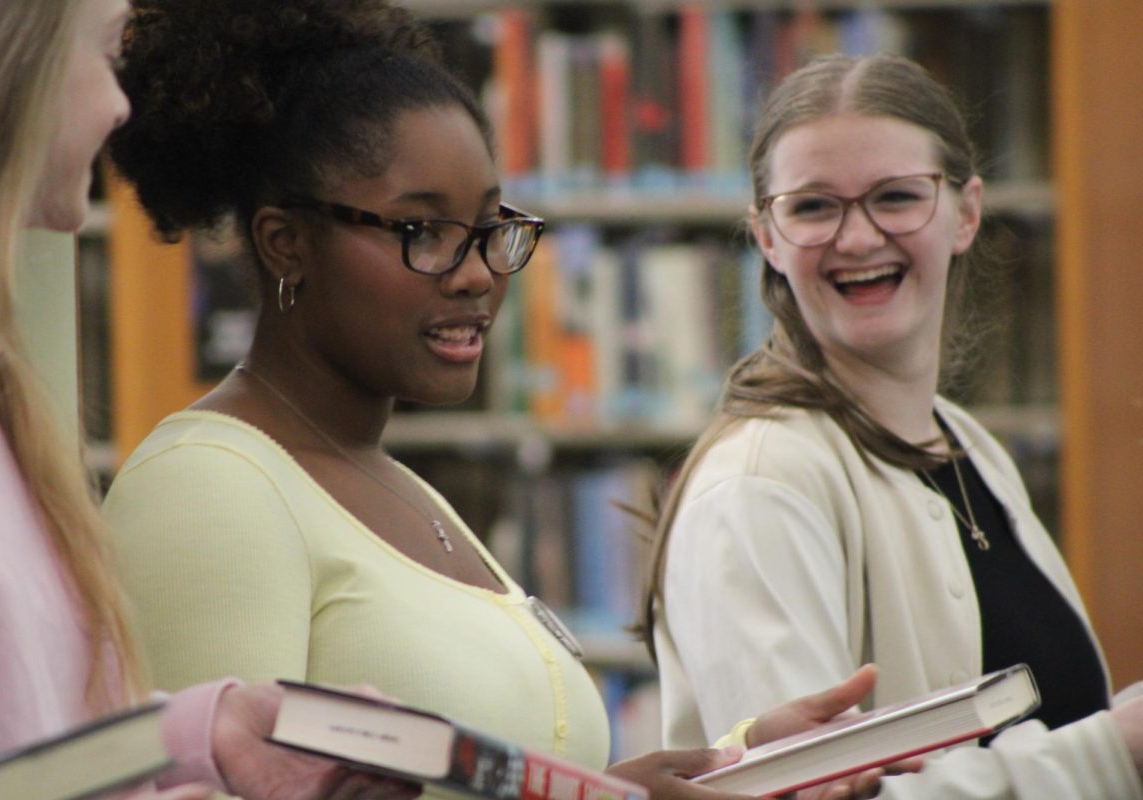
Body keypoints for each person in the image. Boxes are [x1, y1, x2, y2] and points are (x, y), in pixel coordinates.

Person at [100, 3, 900, 799]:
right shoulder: (205, 491)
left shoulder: (391, 482)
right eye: (423, 229)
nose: (479, 272)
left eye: (489, 227)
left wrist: (741, 762)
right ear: (287, 243)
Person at [0, 1, 426, 798]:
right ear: (9, 63)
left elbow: (32, 742)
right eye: (105, 54)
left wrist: (207, 734)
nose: (119, 104)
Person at [641, 53, 1143, 798]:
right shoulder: (759, 488)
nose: (856, 238)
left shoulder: (966, 445)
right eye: (813, 207)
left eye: (896, 197)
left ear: (966, 213)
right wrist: (1113, 753)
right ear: (767, 236)